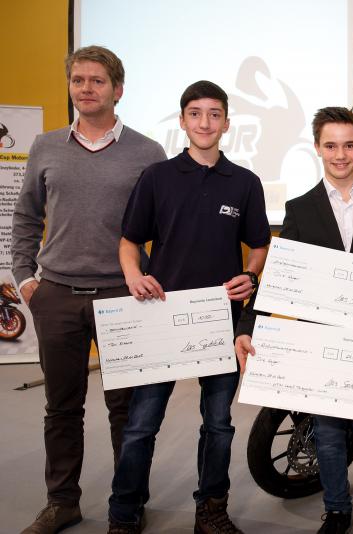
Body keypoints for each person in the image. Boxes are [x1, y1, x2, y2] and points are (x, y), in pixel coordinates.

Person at [11, 45, 166, 534]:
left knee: (126, 411)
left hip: (123, 297)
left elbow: (164, 227)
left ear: (117, 90)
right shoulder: (45, 146)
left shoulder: (147, 152)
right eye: (78, 80)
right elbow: (25, 216)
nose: (86, 89)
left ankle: (127, 505)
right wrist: (26, 280)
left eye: (97, 81)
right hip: (55, 294)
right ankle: (62, 502)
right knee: (61, 408)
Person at [235, 106, 353, 534]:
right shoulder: (300, 209)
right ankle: (336, 511)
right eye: (331, 145)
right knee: (328, 438)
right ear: (317, 148)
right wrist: (247, 327)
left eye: (349, 145)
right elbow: (280, 276)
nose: (340, 154)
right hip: (319, 344)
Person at [106, 80, 270, 533]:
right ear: (182, 121)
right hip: (160, 317)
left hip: (219, 320)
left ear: (227, 123)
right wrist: (133, 276)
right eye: (195, 113)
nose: (205, 122)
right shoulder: (157, 177)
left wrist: (250, 273)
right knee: (141, 424)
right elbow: (129, 241)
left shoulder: (245, 183)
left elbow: (259, 244)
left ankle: (211, 511)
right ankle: (124, 514)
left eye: (214, 114)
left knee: (218, 425)